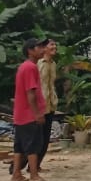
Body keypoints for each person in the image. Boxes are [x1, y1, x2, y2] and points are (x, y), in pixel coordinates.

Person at [9, 38, 50, 181]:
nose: (42, 49)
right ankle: (34, 175)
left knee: (19, 146)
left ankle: (16, 174)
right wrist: (37, 113)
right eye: (39, 47)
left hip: (20, 114)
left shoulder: (23, 67)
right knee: (33, 145)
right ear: (30, 51)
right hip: (28, 115)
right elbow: (31, 93)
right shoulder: (30, 68)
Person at [36, 38, 59, 167]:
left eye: (55, 45)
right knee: (37, 137)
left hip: (50, 104)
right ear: (44, 48)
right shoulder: (38, 63)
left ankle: (37, 165)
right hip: (40, 105)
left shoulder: (54, 64)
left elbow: (51, 84)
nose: (54, 47)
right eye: (52, 44)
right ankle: (23, 165)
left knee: (45, 138)